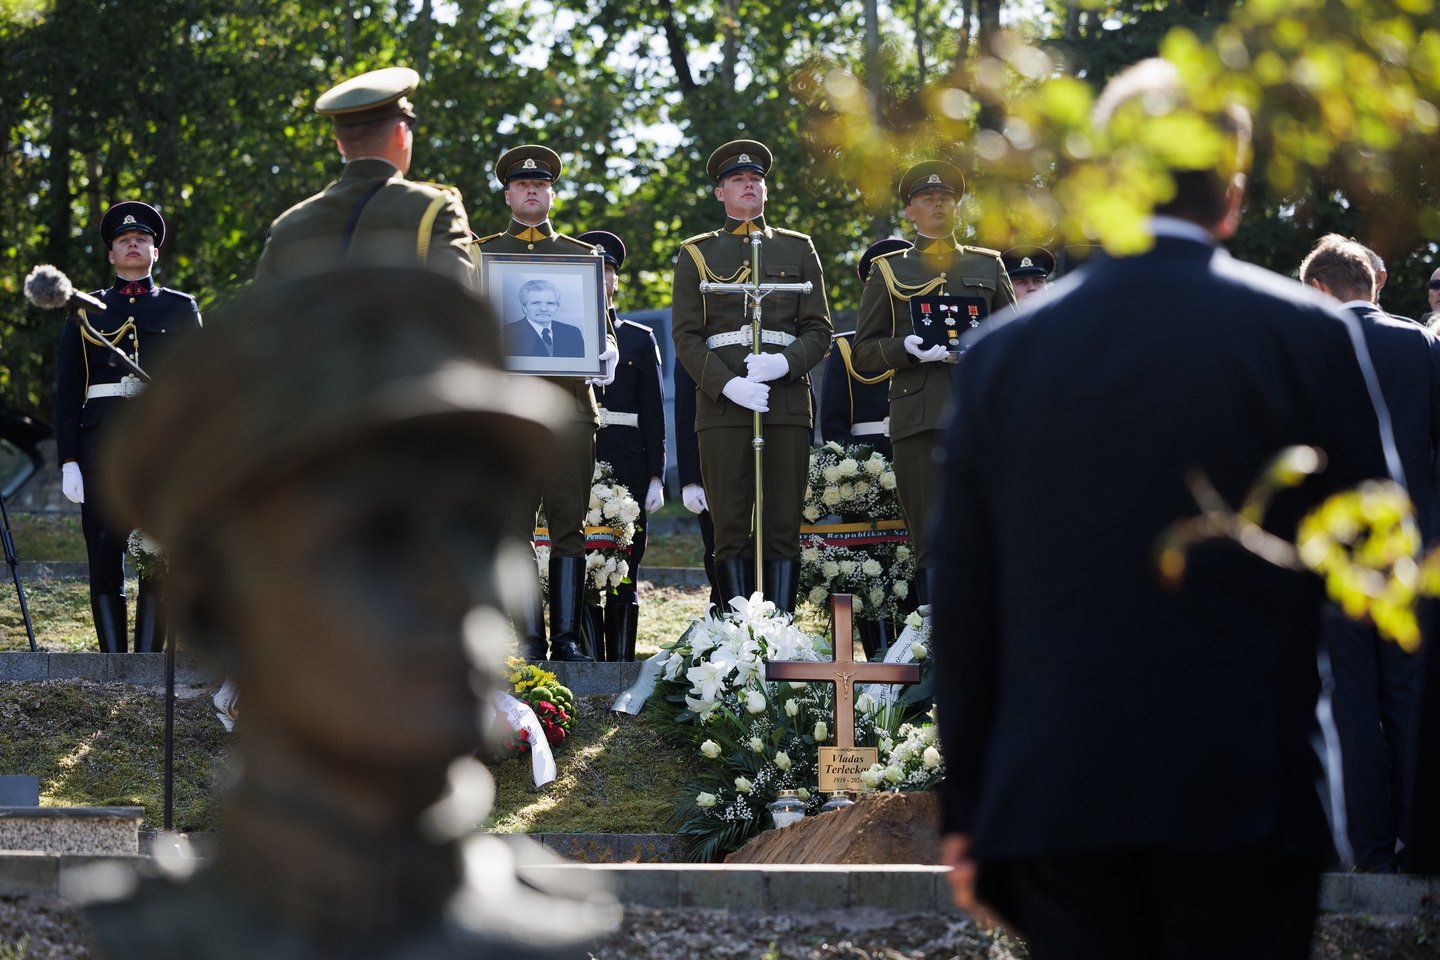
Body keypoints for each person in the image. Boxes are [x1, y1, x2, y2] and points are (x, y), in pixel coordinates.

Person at [932, 58, 1396, 960]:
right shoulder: (1309, 336)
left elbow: (964, 599)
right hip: (1248, 789)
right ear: (1231, 194)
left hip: (1062, 795)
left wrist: (970, 808)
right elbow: (1380, 555)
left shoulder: (1004, 355)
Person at [80, 268, 617, 959]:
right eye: (379, 539)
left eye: (477, 531)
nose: (458, 589)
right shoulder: (152, 948)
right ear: (216, 613)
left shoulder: (555, 941)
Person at [1298, 233, 1439, 872]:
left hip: (1336, 556)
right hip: (1412, 551)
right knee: (1411, 696)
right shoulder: (1419, 341)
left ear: (1320, 288)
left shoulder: (1304, 345)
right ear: (1372, 283)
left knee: (1350, 701)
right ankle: (1422, 844)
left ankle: (1370, 851)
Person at [669, 139, 832, 611]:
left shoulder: (798, 248)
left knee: (782, 521)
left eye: (756, 179)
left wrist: (785, 362)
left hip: (784, 400)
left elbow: (818, 328)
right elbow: (686, 336)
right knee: (731, 524)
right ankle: (737, 635)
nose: (749, 186)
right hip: (722, 405)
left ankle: (778, 634)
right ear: (720, 192)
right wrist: (729, 384)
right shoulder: (697, 253)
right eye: (738, 180)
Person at [853, 160, 1015, 610]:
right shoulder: (889, 271)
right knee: (929, 534)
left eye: (945, 197)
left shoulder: (988, 264)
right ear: (910, 212)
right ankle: (934, 647)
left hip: (981, 416)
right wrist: (905, 346)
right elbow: (864, 352)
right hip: (919, 418)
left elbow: (1016, 341)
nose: (938, 203)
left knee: (988, 525)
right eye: (927, 198)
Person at [476, 144, 617, 661]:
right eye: (522, 185)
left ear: (550, 193)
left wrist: (607, 350)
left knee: (569, 528)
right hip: (508, 418)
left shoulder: (583, 258)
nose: (532, 190)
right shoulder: (483, 256)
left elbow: (599, 336)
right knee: (513, 527)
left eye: (540, 184)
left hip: (571, 412)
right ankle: (530, 640)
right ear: (509, 194)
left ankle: (568, 639)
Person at [53, 201, 202, 653]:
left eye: (142, 239)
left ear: (155, 253)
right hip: (99, 451)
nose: (133, 244)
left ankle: (146, 665)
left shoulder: (180, 309)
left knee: (156, 553)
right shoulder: (86, 311)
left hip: (162, 454)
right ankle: (113, 666)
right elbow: (67, 391)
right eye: (123, 240)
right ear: (111, 255)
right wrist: (69, 460)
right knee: (103, 553)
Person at [254, 67, 477, 288]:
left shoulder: (286, 226)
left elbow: (260, 318)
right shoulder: (434, 209)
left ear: (340, 144)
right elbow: (459, 314)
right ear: (401, 133)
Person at [576, 230, 666, 661]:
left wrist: (656, 475)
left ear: (616, 279)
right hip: (579, 456)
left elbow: (653, 412)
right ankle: (590, 662)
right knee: (582, 559)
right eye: (592, 271)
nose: (601, 278)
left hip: (628, 462)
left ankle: (622, 666)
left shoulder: (637, 337)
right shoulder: (562, 332)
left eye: (607, 270)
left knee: (626, 561)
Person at [818, 238, 910, 458]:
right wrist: (857, 470)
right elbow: (834, 425)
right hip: (867, 460)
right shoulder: (845, 348)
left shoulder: (932, 343)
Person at [674, 361, 722, 610]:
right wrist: (691, 480)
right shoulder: (697, 338)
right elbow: (684, 412)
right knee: (717, 548)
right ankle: (723, 618)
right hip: (712, 466)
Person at [503, 278, 585, 357]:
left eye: (550, 303)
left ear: (557, 306)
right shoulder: (507, 334)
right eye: (536, 303)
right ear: (524, 307)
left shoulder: (573, 333)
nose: (544, 309)